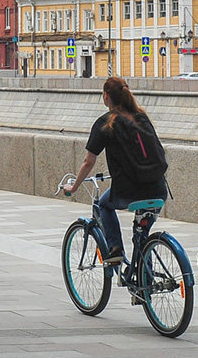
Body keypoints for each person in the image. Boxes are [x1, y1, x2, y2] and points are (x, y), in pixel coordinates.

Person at [62, 76, 168, 270]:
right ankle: (145, 278)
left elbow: (88, 161)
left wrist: (74, 187)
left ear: (106, 97)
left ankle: (115, 249)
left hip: (129, 190)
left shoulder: (106, 123)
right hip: (158, 188)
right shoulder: (141, 117)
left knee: (103, 205)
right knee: (141, 236)